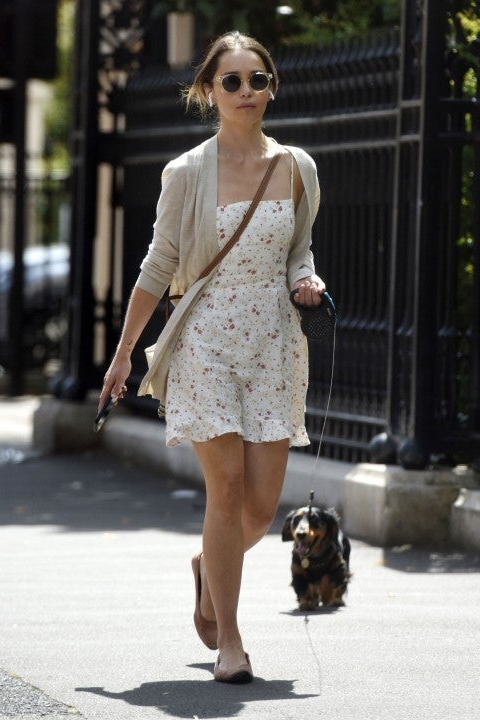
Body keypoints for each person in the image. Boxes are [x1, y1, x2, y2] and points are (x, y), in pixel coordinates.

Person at [99, 30, 326, 684]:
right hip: (206, 341)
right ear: (208, 91)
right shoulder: (186, 173)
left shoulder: (297, 168)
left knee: (258, 510)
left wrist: (305, 279)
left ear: (271, 88)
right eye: (232, 81)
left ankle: (209, 564)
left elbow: (298, 251)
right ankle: (230, 640)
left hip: (274, 345)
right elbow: (157, 266)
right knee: (224, 490)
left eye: (258, 79)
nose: (246, 91)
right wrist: (123, 356)